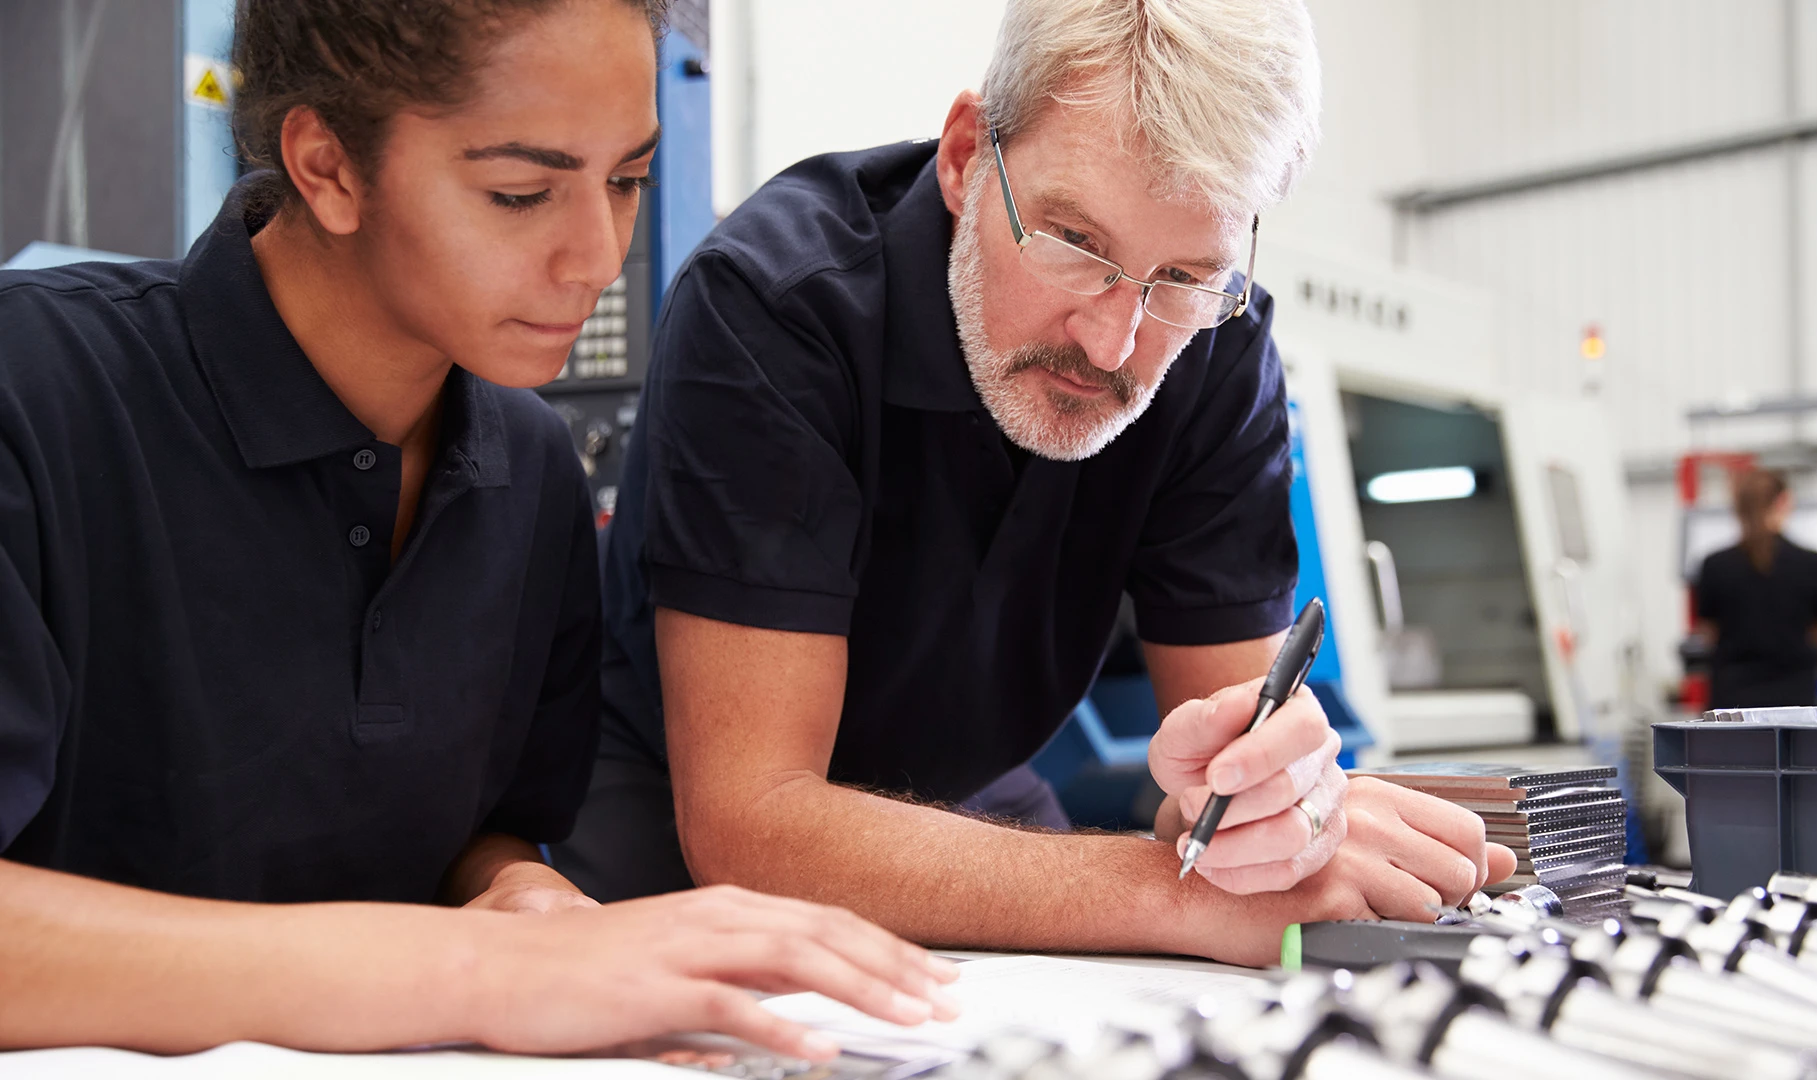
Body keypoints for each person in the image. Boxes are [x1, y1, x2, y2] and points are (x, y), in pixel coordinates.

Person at [0, 0, 954, 1058]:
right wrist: (474, 973)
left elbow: (478, 833)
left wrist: (520, 895)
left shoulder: (528, 465)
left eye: (627, 180)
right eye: (520, 193)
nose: (596, 256)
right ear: (326, 166)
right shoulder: (35, 397)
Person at [563, 0, 1516, 965]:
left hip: (970, 794)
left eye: (1184, 275)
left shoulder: (1215, 349)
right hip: (681, 809)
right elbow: (753, 823)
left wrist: (1283, 807)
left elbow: (1233, 779)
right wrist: (1173, 897)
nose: (1115, 343)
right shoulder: (775, 309)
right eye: (1075, 241)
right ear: (966, 154)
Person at [1696, 469, 1817, 710]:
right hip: (1795, 701)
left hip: (1732, 703)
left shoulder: (1715, 565)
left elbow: (1708, 634)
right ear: (1783, 502)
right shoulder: (1813, 563)